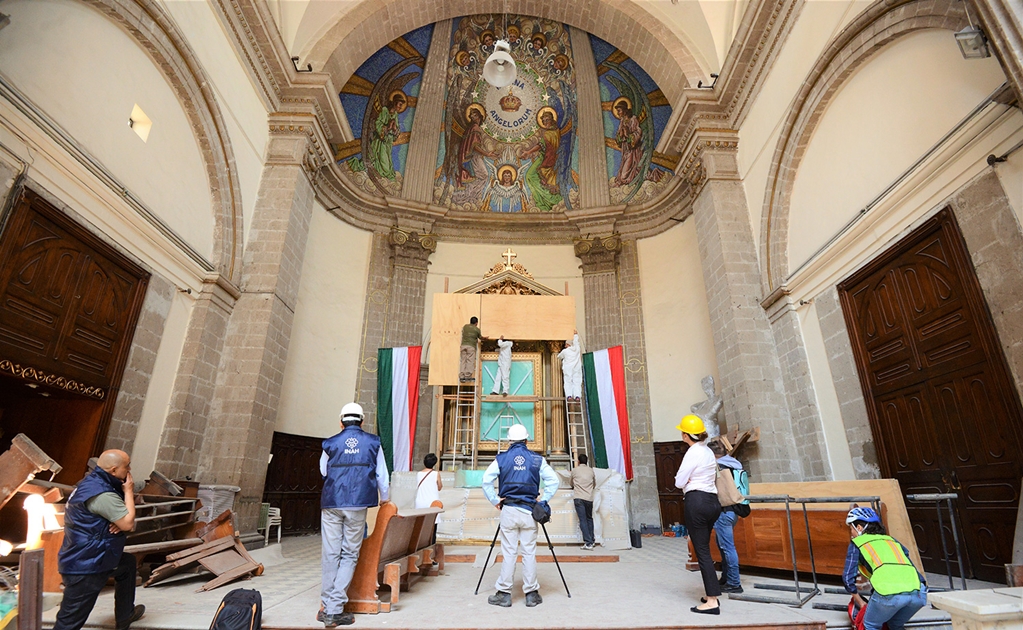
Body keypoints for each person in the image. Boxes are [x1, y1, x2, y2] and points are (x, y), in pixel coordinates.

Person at [53, 449, 145, 630]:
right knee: (68, 623)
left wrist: (116, 518)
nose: (130, 469)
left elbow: (117, 516)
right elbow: (128, 524)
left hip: (94, 553)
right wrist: (128, 493)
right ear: (113, 470)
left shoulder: (93, 482)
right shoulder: (103, 494)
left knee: (127, 563)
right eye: (127, 466)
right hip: (87, 564)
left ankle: (125, 615)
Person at [318, 403, 391, 628]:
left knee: (330, 553)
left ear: (341, 422)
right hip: (357, 503)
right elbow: (381, 474)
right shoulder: (373, 442)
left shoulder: (329, 443)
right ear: (362, 421)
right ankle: (334, 609)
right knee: (350, 553)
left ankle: (326, 605)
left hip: (331, 502)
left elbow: (323, 470)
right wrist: (384, 497)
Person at [481, 424, 560, 607]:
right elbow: (553, 481)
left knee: (509, 552)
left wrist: (495, 500)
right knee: (529, 552)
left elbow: (486, 480)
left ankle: (504, 593)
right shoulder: (536, 459)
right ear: (526, 440)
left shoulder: (501, 459)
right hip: (529, 512)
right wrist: (543, 500)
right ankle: (531, 594)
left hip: (508, 510)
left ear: (509, 441)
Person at [843, 506, 928, 630]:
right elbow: (910, 565)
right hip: (918, 594)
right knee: (895, 625)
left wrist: (861, 603)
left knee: (870, 625)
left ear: (859, 528)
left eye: (851, 528)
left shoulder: (858, 543)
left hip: (889, 594)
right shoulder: (892, 541)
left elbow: (847, 578)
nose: (851, 533)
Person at [674, 414, 721, 615]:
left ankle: (712, 601)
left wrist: (688, 481)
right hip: (712, 502)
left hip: (697, 502)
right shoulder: (708, 452)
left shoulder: (692, 453)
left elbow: (679, 481)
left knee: (701, 550)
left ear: (686, 435)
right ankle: (712, 593)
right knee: (704, 548)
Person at [708, 440, 745, 594]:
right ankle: (726, 577)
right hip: (735, 509)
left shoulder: (719, 467)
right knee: (724, 546)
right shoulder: (735, 464)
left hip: (724, 510)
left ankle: (734, 583)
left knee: (728, 547)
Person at [569, 453, 595, 550]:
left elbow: (570, 482)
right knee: (589, 518)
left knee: (583, 520)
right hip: (589, 498)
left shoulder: (575, 471)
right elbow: (594, 484)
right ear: (587, 461)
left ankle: (588, 543)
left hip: (579, 497)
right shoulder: (591, 471)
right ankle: (592, 540)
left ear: (578, 461)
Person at [558, 331, 582, 401]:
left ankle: (569, 396)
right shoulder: (577, 349)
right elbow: (576, 342)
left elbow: (559, 356)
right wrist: (575, 335)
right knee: (577, 382)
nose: (565, 346)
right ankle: (577, 396)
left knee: (568, 382)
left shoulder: (565, 351)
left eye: (566, 344)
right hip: (576, 369)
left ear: (568, 344)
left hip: (568, 369)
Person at [459, 316, 482, 382]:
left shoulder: (465, 327)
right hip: (471, 346)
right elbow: (480, 337)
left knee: (463, 360)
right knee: (470, 361)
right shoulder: (477, 329)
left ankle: (461, 376)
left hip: (463, 346)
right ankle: (467, 376)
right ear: (476, 323)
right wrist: (485, 338)